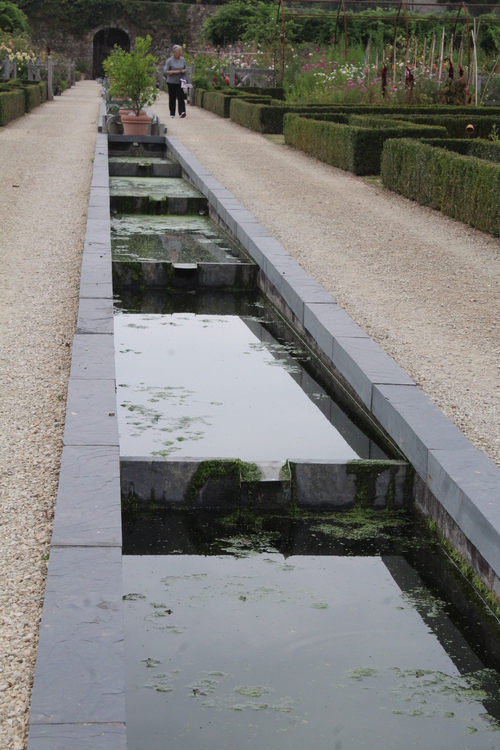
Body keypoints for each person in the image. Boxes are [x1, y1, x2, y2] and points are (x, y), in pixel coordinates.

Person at [164, 45, 187, 119]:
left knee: (181, 97)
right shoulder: (170, 61)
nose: (180, 53)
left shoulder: (183, 60)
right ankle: (172, 113)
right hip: (171, 82)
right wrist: (174, 72)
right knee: (172, 97)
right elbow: (165, 71)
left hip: (180, 81)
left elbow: (185, 69)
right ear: (174, 52)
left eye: (181, 51)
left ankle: (182, 112)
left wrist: (183, 71)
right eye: (179, 51)